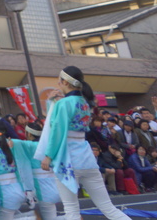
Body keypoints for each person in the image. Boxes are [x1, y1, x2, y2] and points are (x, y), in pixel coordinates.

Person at [36, 65, 130, 220]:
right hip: (86, 157)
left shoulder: (63, 103)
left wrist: (48, 156)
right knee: (108, 208)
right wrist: (52, 103)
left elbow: (56, 131)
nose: (58, 83)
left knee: (71, 210)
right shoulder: (85, 103)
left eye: (60, 80)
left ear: (66, 82)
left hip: (67, 159)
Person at [13, 122, 62, 218]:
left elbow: (12, 143)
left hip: (42, 186)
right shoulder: (49, 145)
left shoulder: (28, 145)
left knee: (49, 216)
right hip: (56, 182)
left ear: (29, 134)